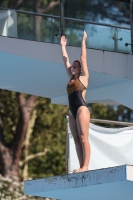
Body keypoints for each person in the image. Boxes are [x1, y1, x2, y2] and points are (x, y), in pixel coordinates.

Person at [60, 30, 90, 173]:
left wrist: (83, 41)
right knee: (76, 139)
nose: (72, 67)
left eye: (75, 66)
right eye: (72, 66)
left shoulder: (83, 78)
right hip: (72, 111)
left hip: (81, 109)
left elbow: (83, 58)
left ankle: (86, 166)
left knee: (84, 138)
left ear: (80, 69)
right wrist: (62, 46)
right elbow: (65, 59)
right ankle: (81, 166)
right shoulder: (70, 79)